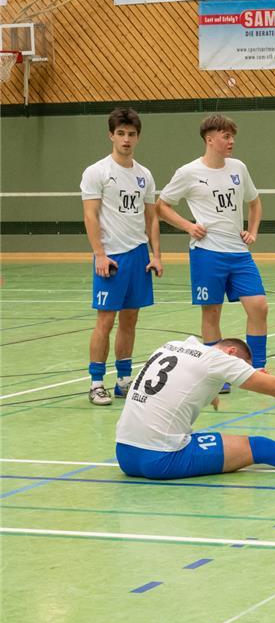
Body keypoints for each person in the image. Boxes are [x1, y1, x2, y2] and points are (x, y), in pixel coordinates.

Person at [114, 336, 275, 480]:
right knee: (259, 446)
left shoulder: (174, 345)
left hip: (125, 454)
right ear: (232, 351)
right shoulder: (218, 360)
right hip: (160, 459)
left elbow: (182, 383)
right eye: (243, 367)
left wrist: (221, 386)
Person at [157, 114, 268, 383]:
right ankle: (214, 374)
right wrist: (188, 226)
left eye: (232, 136)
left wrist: (252, 232)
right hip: (207, 253)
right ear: (210, 139)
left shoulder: (238, 168)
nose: (231, 141)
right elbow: (161, 206)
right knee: (211, 312)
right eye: (225, 136)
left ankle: (257, 369)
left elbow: (254, 202)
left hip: (239, 253)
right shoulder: (189, 172)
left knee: (259, 307)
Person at [81, 108, 163, 406]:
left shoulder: (144, 175)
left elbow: (151, 218)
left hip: (138, 256)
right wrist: (99, 255)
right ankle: (96, 382)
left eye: (131, 134)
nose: (126, 139)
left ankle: (124, 380)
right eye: (121, 134)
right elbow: (90, 216)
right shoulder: (97, 172)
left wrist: (156, 254)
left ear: (137, 137)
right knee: (105, 321)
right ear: (111, 135)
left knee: (130, 321)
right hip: (111, 257)